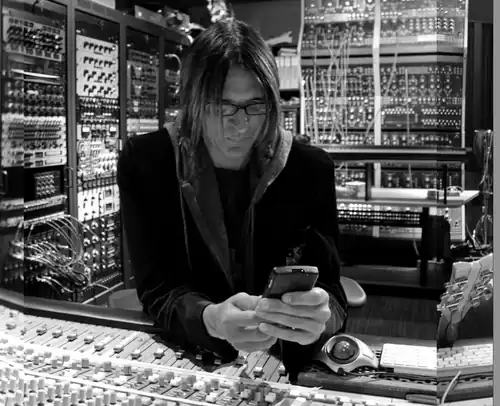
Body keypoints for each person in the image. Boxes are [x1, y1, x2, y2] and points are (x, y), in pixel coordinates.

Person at [117, 18, 347, 378]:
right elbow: (156, 288)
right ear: (192, 101)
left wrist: (321, 317)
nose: (240, 126)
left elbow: (332, 292)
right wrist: (209, 318)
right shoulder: (147, 162)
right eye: (222, 106)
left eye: (254, 106)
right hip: (189, 360)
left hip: (287, 367)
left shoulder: (311, 169)